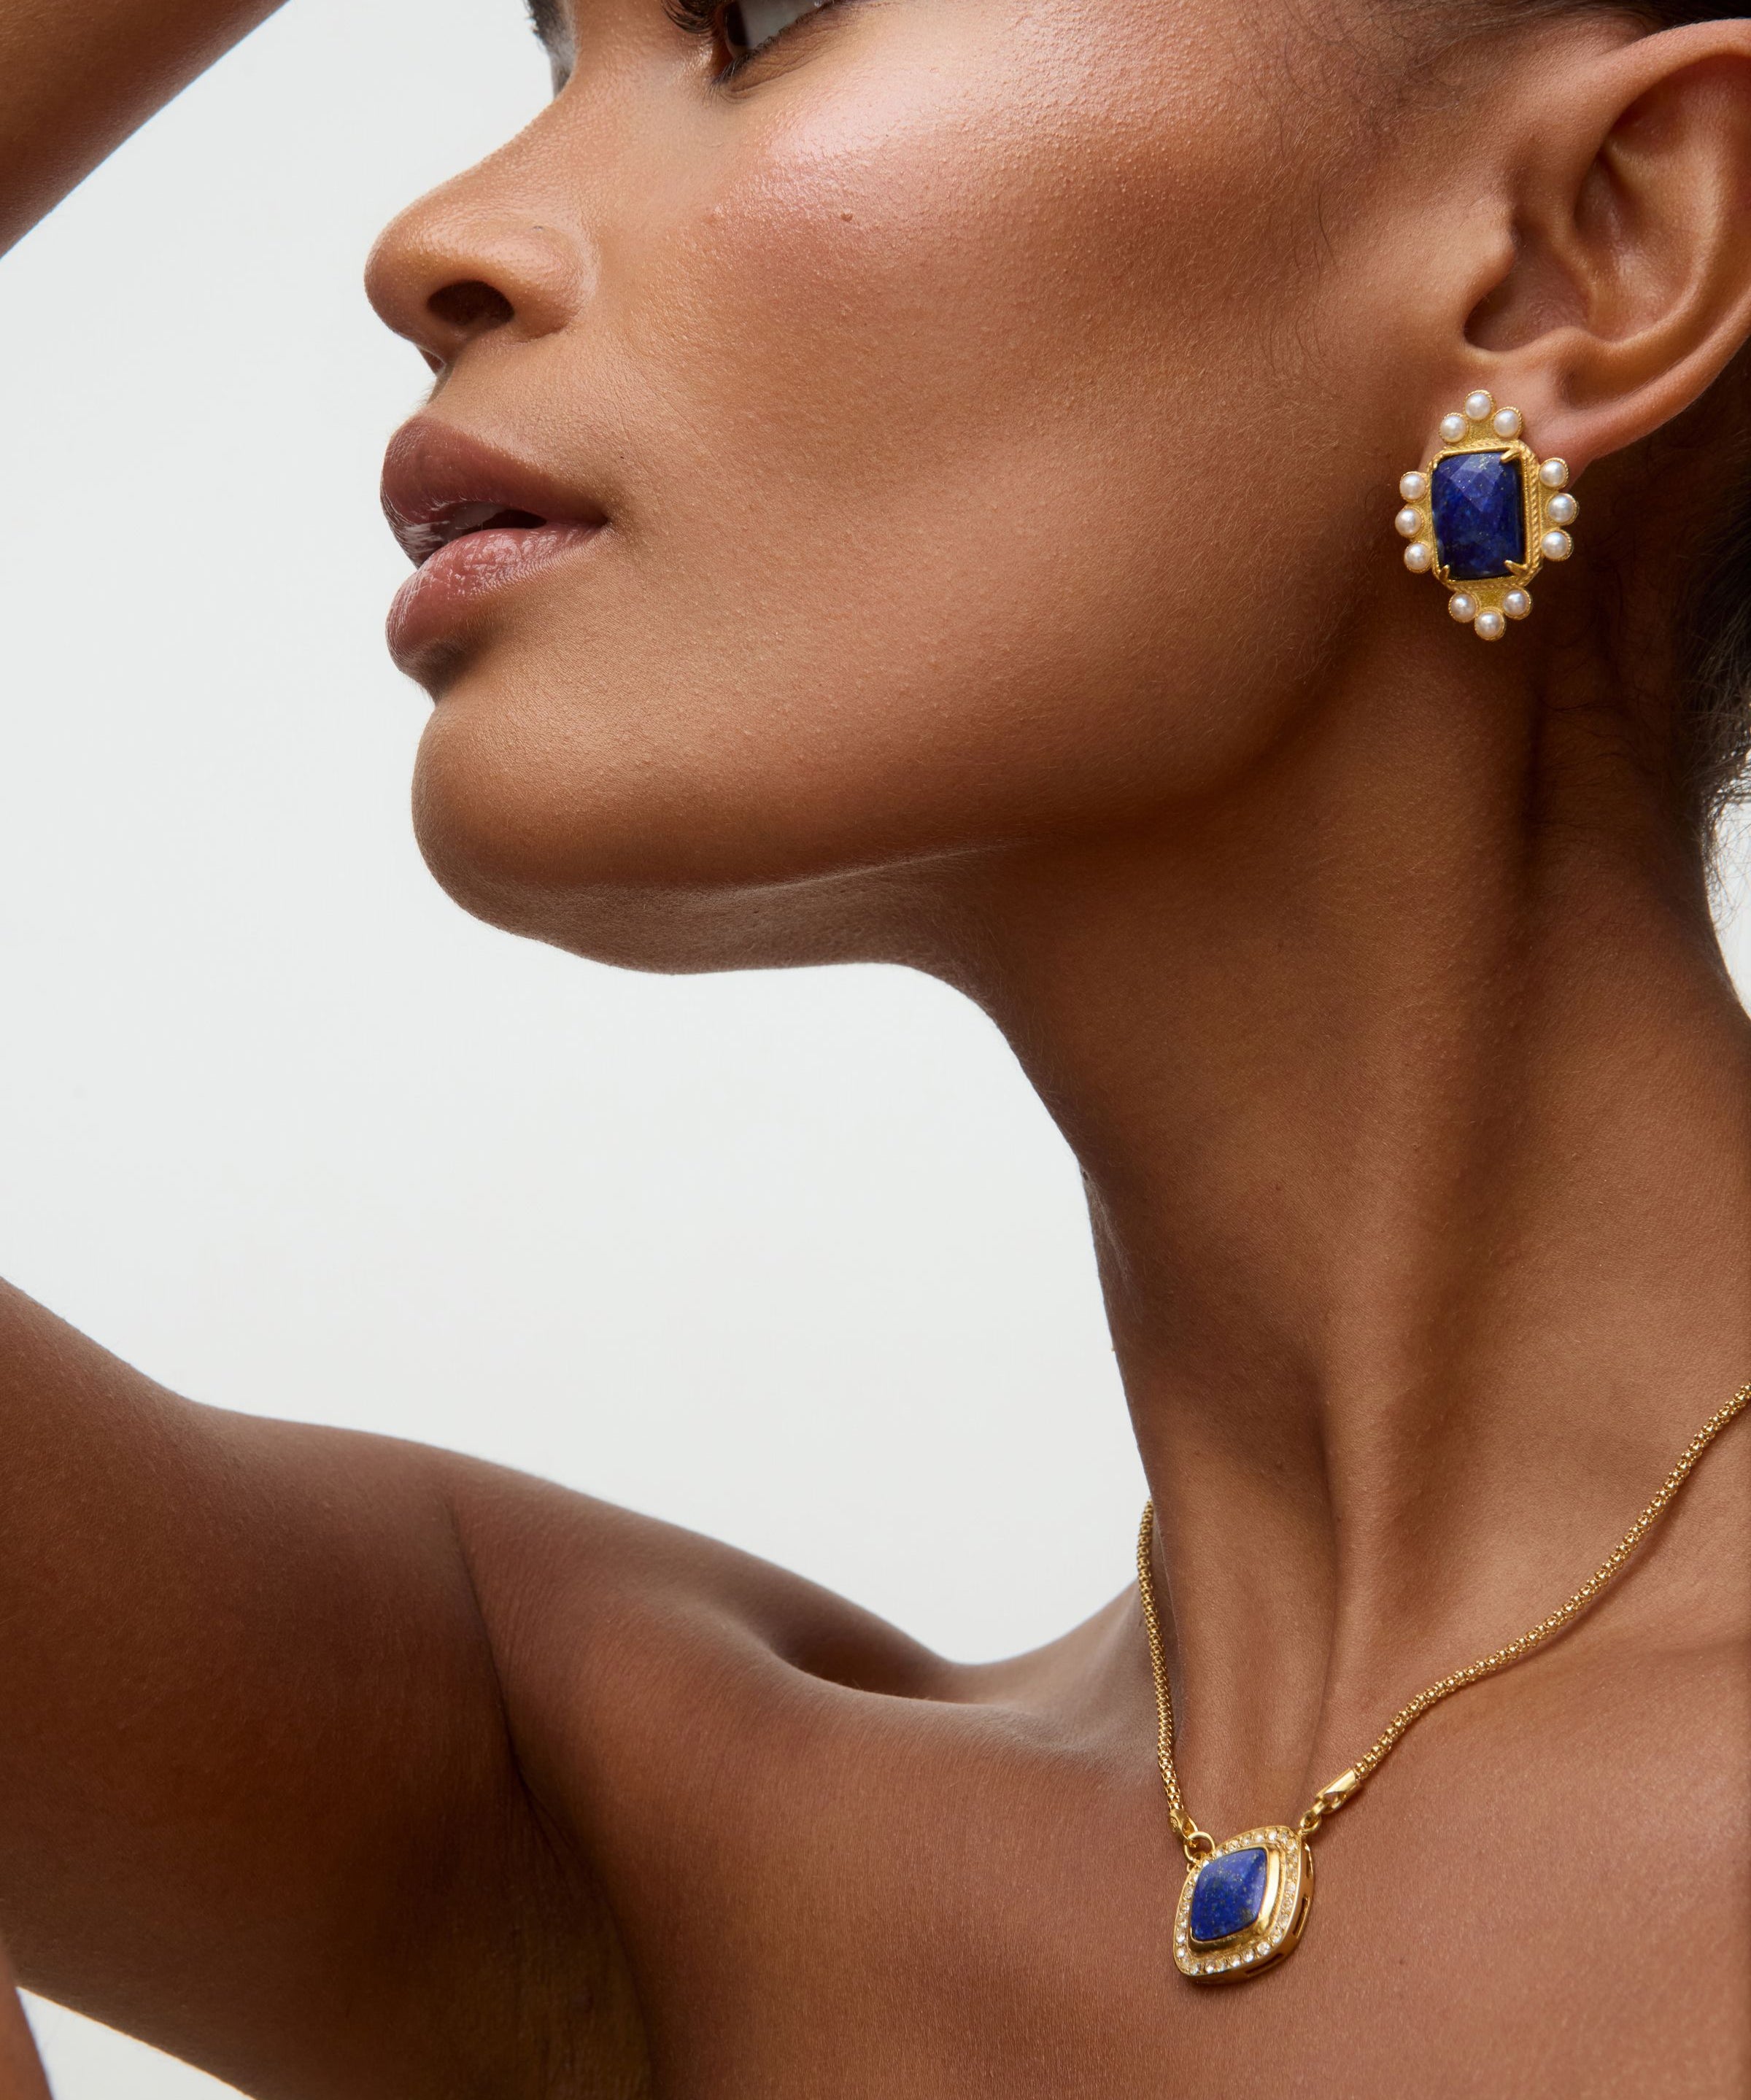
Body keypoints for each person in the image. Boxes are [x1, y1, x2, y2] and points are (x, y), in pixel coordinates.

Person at [2, 0, 1749, 2092]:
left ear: (1590, 249)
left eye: (757, 20)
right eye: (551, 65)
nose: (433, 240)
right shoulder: (635, 1840)